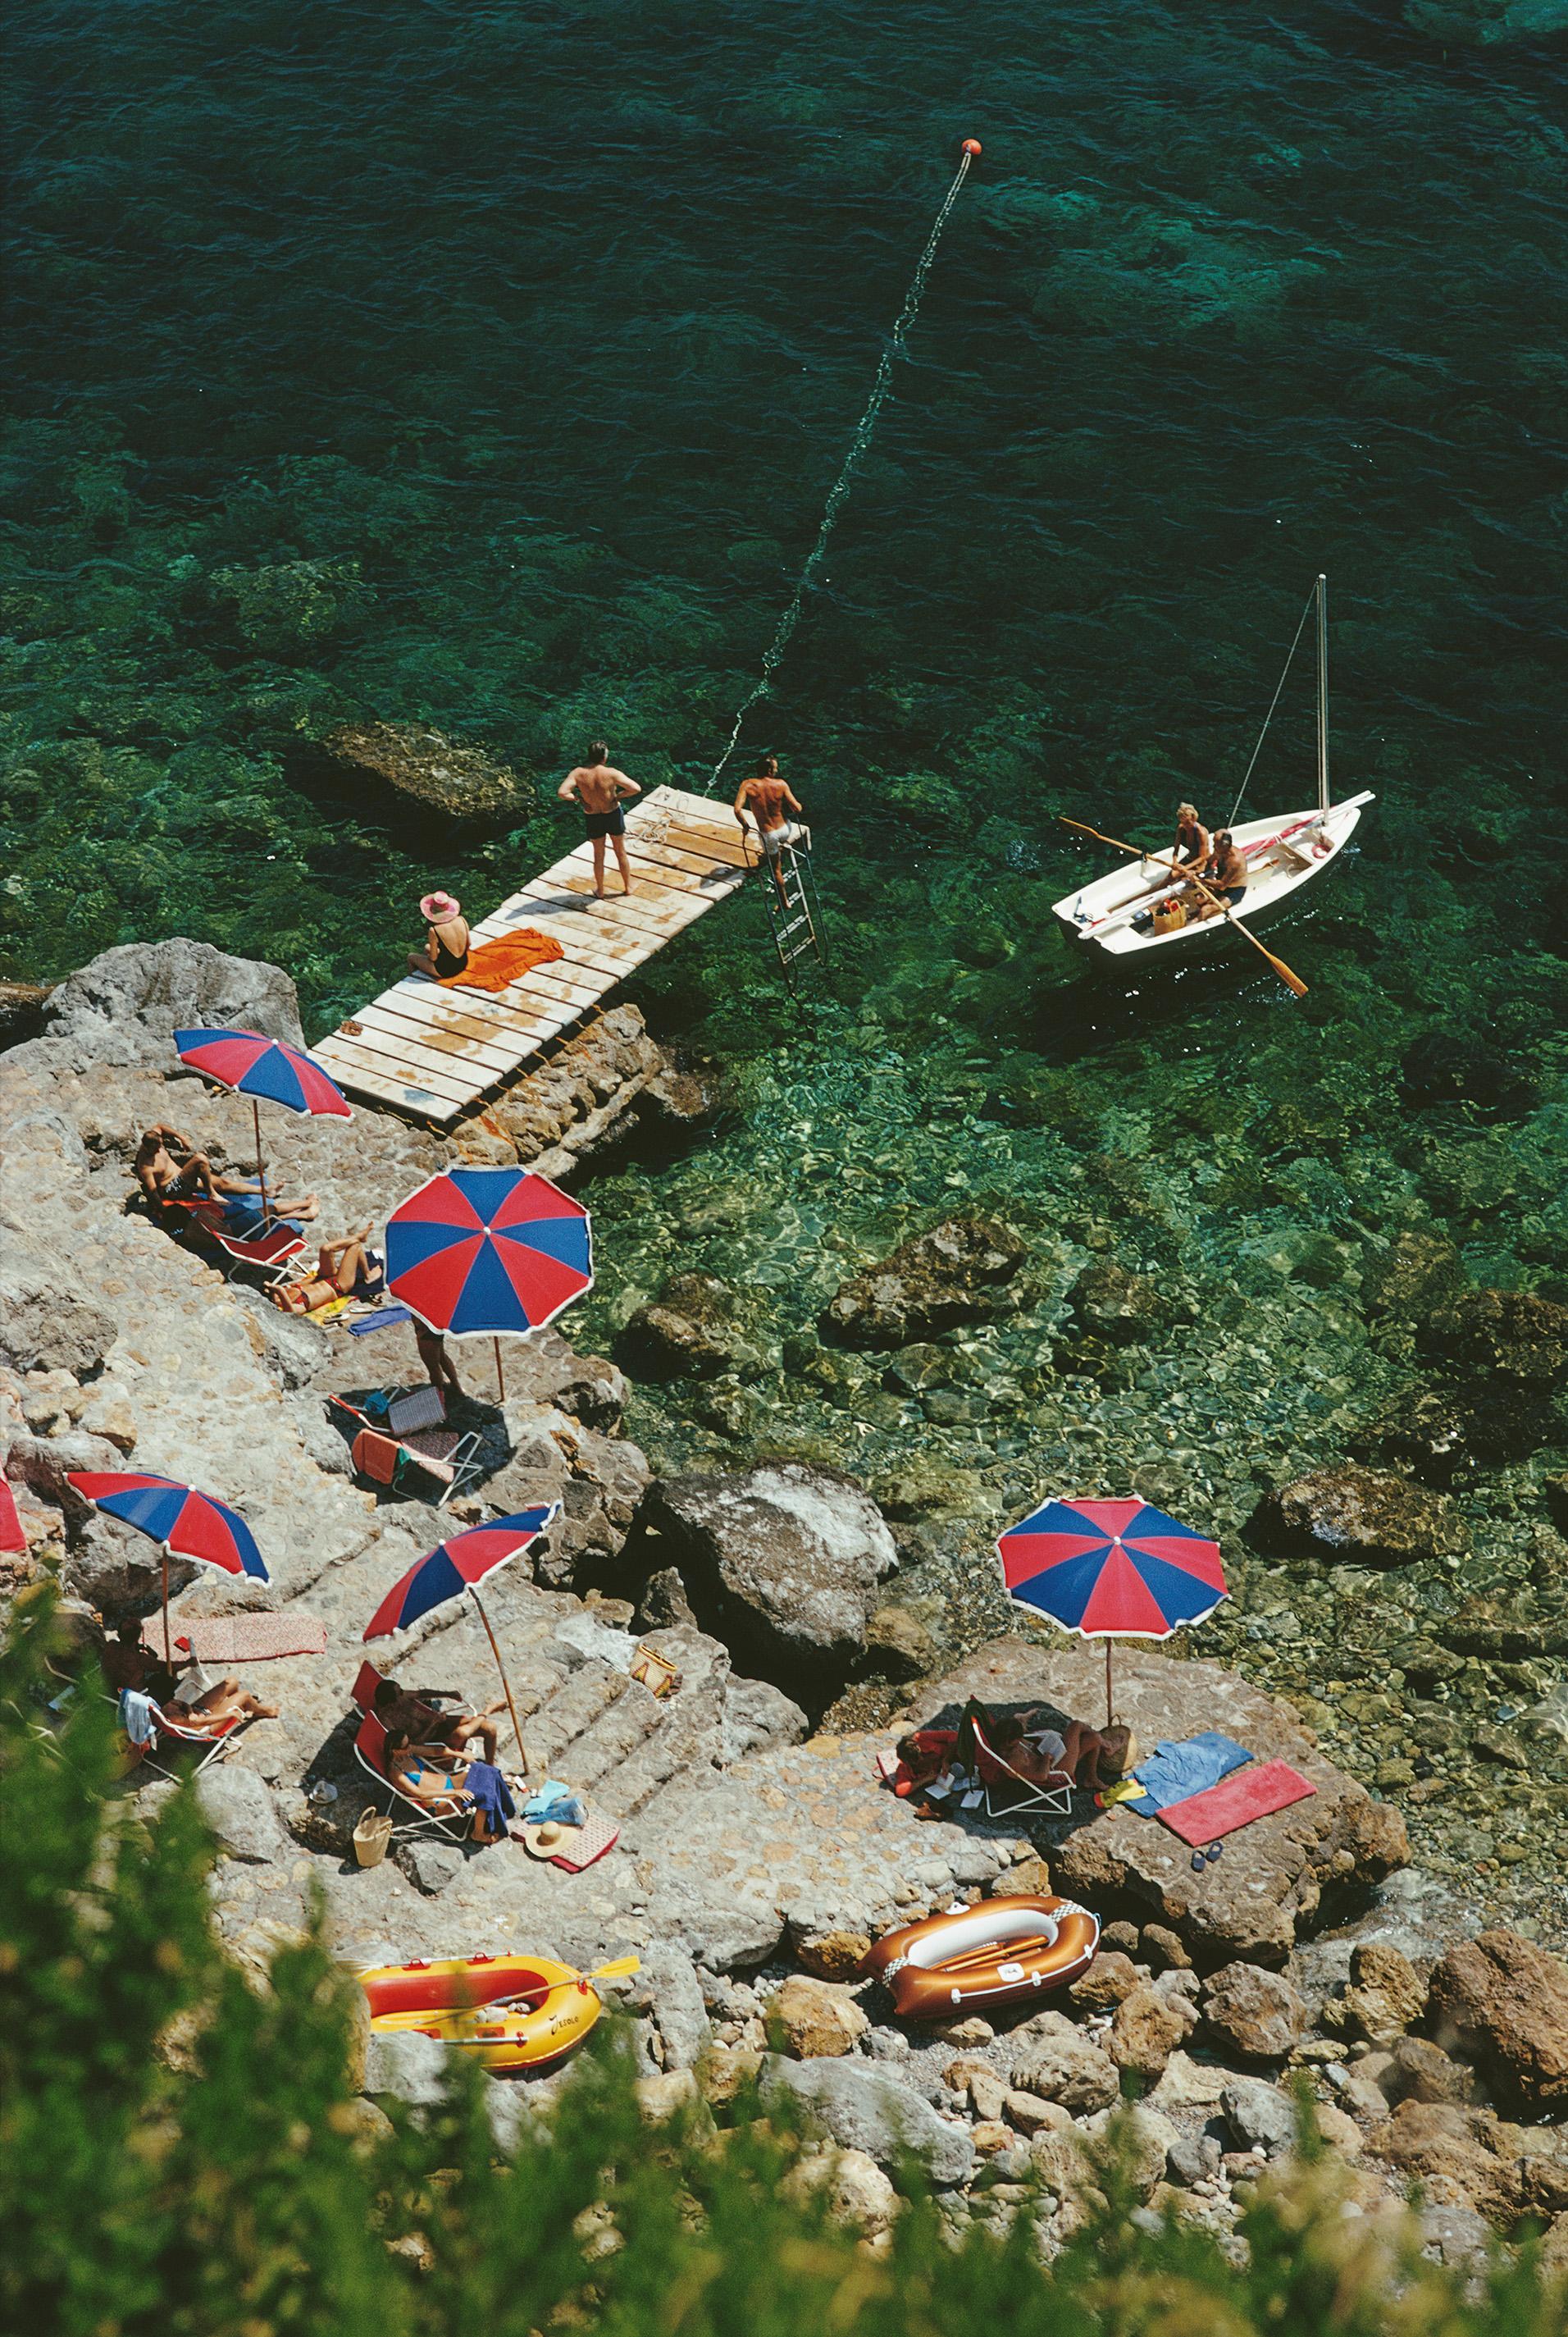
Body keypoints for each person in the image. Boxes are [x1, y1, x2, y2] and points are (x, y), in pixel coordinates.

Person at [558, 743, 641, 898]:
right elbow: (635, 788)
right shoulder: (611, 773)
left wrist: (578, 799)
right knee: (620, 851)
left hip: (593, 816)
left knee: (598, 855)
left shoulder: (578, 774)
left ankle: (600, 890)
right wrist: (618, 796)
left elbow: (562, 792)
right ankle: (628, 887)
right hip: (612, 814)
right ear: (604, 757)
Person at [372, 1676, 505, 1766]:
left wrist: (447, 1694)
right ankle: (487, 1710)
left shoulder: (402, 1697)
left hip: (439, 1724)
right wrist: (432, 1724)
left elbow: (421, 1693)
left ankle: (490, 1767)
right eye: (400, 1692)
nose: (403, 1692)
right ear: (392, 1703)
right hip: (430, 1742)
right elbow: (408, 1746)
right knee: (462, 1734)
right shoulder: (387, 1719)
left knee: (490, 1728)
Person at [1005, 1712, 1136, 1794]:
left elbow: (1030, 1752)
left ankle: (1091, 1778)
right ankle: (1107, 1745)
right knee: (1076, 1725)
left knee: (1093, 1739)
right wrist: (1046, 1758)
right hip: (1057, 1772)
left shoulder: (1011, 1747)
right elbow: (1041, 1776)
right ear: (1010, 1741)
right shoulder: (1013, 1760)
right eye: (1019, 1738)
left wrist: (1039, 1743)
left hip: (1054, 1760)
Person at [732, 753, 805, 895]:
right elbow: (797, 808)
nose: (776, 771)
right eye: (775, 768)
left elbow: (737, 810)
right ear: (770, 771)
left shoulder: (747, 785)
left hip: (769, 835)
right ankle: (779, 851)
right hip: (784, 830)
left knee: (776, 870)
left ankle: (784, 901)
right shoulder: (781, 784)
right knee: (781, 837)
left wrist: (745, 826)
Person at [408, 891, 470, 981]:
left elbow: (433, 958)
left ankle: (413, 979)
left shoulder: (434, 930)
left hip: (446, 971)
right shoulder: (462, 920)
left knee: (411, 957)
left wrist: (428, 957)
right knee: (427, 947)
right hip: (463, 964)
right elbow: (469, 944)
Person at [1197, 828, 1247, 920]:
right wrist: (1201, 870)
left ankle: (1197, 921)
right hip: (1219, 884)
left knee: (1205, 909)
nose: (1213, 847)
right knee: (1199, 899)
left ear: (1224, 846)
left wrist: (1201, 881)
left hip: (1234, 891)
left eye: (1216, 845)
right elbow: (1209, 861)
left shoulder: (1235, 861)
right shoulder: (1219, 850)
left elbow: (1222, 885)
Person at [414, 1320, 463, 1401]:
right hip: (433, 1326)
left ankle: (439, 1397)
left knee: (432, 1366)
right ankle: (456, 1387)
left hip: (426, 1327)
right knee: (441, 1357)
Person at [1172, 802, 1210, 871]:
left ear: (1194, 818)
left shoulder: (1201, 832)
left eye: (1188, 823)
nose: (1186, 826)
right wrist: (1175, 862)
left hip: (1203, 862)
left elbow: (1202, 857)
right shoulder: (1181, 828)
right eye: (1183, 823)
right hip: (1191, 858)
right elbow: (1176, 847)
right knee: (1171, 876)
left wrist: (1186, 868)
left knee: (1186, 879)